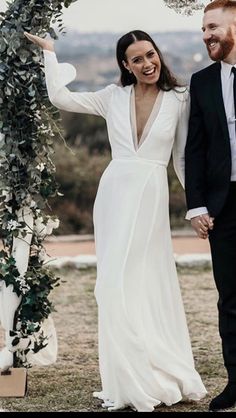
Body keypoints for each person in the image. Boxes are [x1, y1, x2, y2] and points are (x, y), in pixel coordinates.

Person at [25, 29, 206, 412]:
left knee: (144, 282)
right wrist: (51, 54)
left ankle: (157, 370)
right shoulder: (113, 97)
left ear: (159, 55)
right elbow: (60, 97)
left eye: (150, 54)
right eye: (137, 59)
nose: (147, 63)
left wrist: (197, 206)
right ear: (125, 65)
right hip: (114, 195)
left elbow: (183, 159)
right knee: (111, 285)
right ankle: (127, 379)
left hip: (150, 195)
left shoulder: (179, 99)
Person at [185, 0, 236, 412]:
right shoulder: (201, 82)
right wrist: (196, 206)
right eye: (204, 29)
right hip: (225, 207)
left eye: (214, 26)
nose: (207, 35)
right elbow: (195, 150)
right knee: (231, 299)